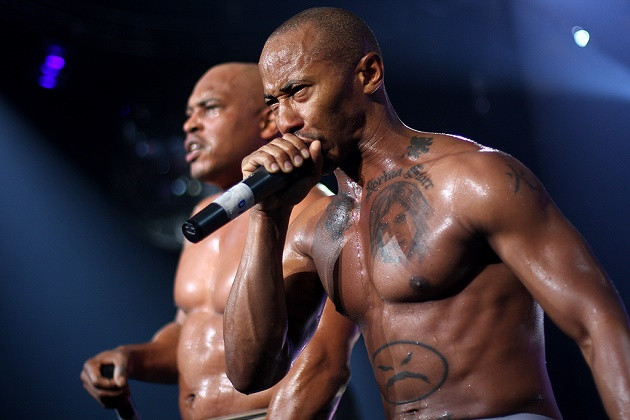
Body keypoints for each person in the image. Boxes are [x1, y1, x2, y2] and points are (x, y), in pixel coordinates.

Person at [223, 8, 630, 420]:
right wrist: (267, 217)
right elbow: (250, 373)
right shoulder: (315, 227)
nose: (285, 122)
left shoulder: (474, 178)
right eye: (274, 102)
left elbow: (597, 323)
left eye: (298, 92)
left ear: (368, 74)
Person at [80, 62, 359, 420]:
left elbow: (323, 363)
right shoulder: (203, 215)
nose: (190, 125)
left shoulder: (319, 212)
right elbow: (192, 335)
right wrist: (128, 359)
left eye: (210, 108)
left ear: (267, 121)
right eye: (188, 114)